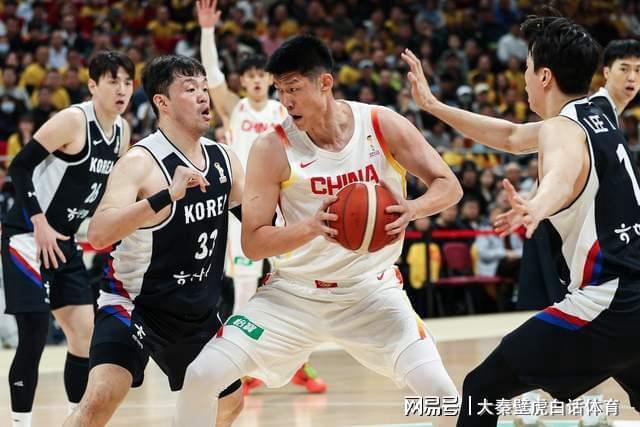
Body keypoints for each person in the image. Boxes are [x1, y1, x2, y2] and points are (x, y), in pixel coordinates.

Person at [173, 34, 462, 427]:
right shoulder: (271, 148)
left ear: (325, 82)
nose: (285, 101)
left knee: (444, 398)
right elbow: (253, 242)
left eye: (293, 89)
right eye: (280, 90)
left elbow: (449, 186)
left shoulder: (381, 124)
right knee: (200, 376)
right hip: (293, 294)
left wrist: (413, 208)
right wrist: (311, 227)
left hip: (372, 292)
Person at [403, 17, 640, 426]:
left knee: (482, 387)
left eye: (527, 67)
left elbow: (561, 174)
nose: (524, 77)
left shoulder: (561, 128)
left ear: (544, 76)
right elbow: (512, 138)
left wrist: (537, 204)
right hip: (632, 294)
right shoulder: (599, 109)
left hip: (612, 300)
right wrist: (434, 107)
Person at [63, 55, 244, 427]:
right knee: (99, 400)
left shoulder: (224, 159)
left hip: (196, 313)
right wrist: (165, 197)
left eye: (204, 87)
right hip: (134, 304)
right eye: (190, 89)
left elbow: (263, 224)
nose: (203, 96)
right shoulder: (140, 162)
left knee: (229, 405)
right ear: (162, 102)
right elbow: (98, 233)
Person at [197, 0, 325, 394]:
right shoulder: (233, 109)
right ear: (243, 82)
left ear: (269, 80)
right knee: (245, 290)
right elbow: (212, 76)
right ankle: (241, 370)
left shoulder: (284, 111)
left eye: (260, 76)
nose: (255, 82)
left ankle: (298, 364)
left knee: (300, 285)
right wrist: (207, 31)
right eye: (249, 76)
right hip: (246, 207)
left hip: (284, 207)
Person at [1, 51, 134, 427]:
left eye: (128, 82)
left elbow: (113, 192)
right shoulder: (74, 120)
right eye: (113, 81)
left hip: (65, 241)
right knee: (34, 334)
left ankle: (76, 421)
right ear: (93, 86)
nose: (122, 89)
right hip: (28, 236)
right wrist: (39, 221)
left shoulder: (122, 132)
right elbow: (19, 166)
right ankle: (20, 424)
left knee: (84, 334)